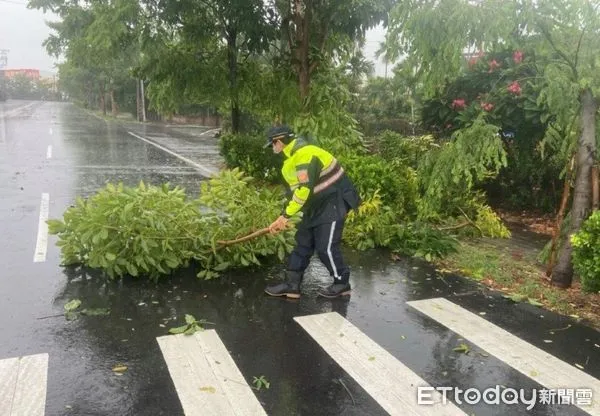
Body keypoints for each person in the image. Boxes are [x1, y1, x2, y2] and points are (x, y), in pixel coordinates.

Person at [263, 125, 360, 299]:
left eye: (272, 144)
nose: (272, 148)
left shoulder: (305, 155)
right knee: (303, 243)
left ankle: (341, 283)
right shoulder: (293, 158)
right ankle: (292, 285)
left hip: (333, 202)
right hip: (315, 205)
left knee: (326, 247)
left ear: (279, 141)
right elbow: (296, 194)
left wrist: (285, 216)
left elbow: (304, 190)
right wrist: (284, 215)